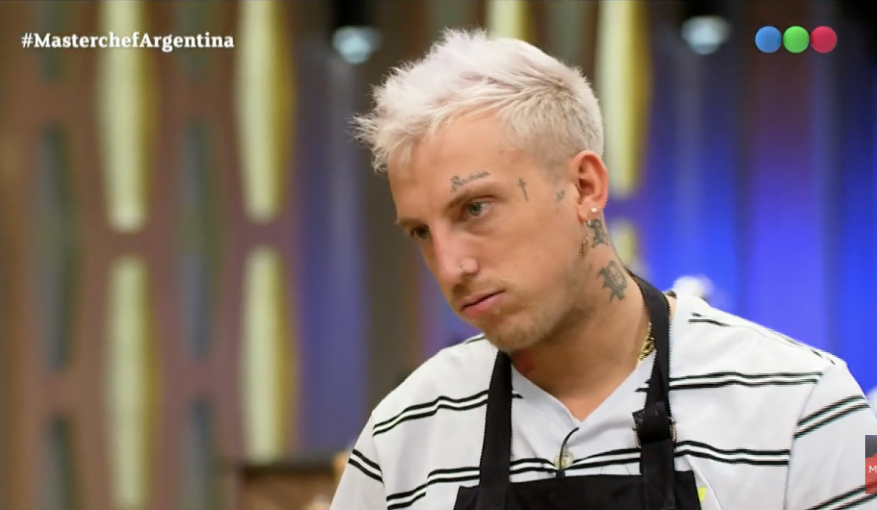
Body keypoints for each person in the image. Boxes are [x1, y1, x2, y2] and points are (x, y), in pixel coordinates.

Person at [330, 28, 877, 509]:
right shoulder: (402, 435)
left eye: (475, 208)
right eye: (422, 233)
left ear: (584, 186)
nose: (451, 267)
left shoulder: (799, 406)